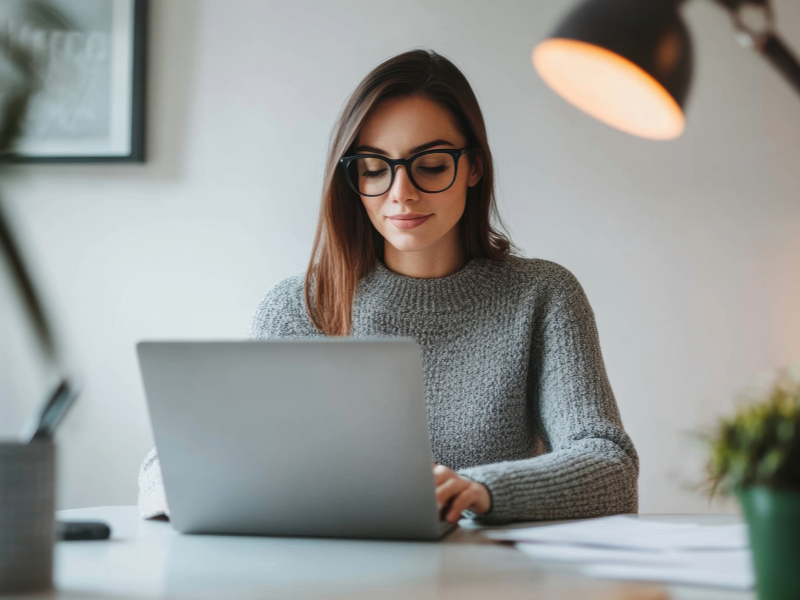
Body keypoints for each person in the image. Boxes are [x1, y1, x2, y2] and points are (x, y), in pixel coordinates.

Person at [138, 48, 638, 524]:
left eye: (431, 165)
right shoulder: (299, 307)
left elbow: (610, 465)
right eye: (375, 169)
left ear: (474, 166)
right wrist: (184, 486)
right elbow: (175, 462)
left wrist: (480, 491)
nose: (401, 194)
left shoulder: (542, 295)